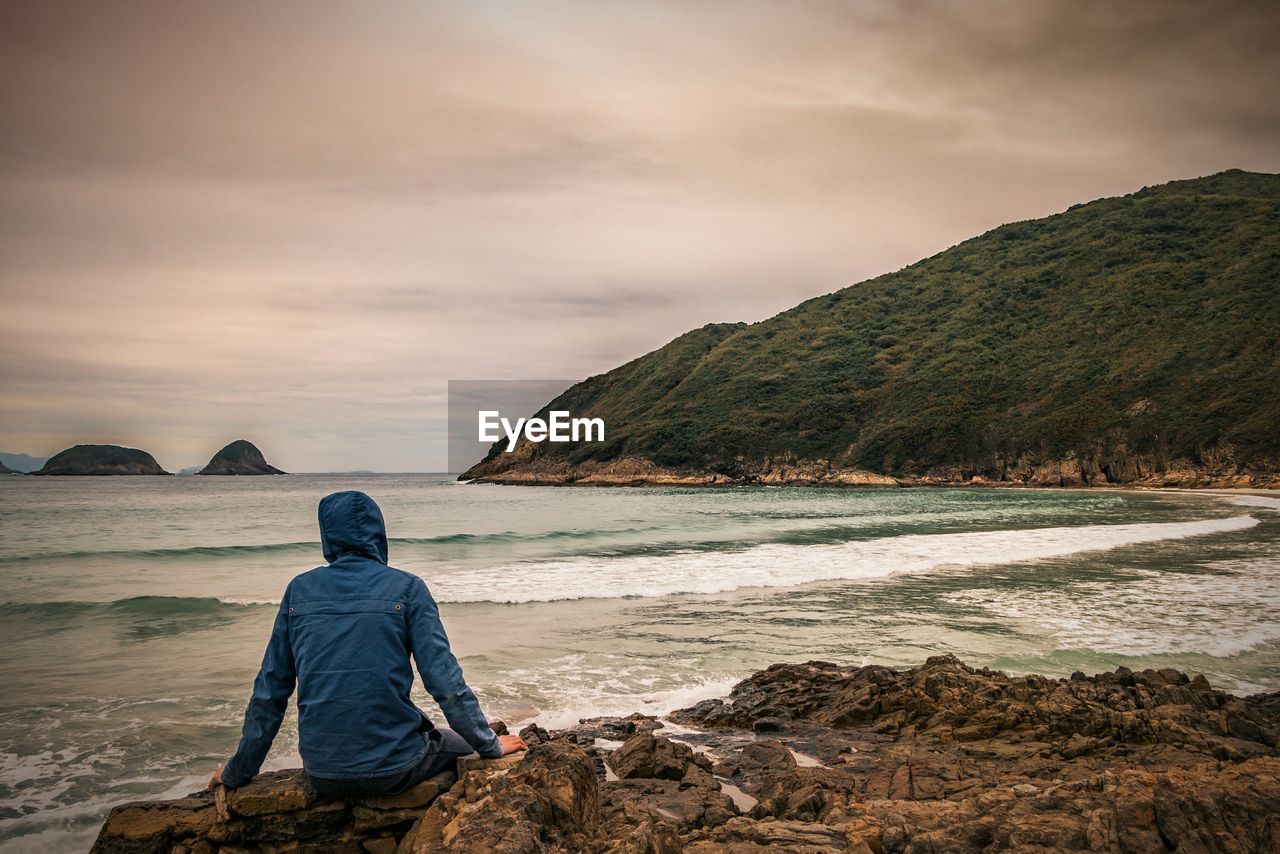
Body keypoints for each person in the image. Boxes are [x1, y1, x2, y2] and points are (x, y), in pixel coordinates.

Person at [210, 490, 525, 797]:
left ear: (327, 535)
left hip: (322, 773)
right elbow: (445, 681)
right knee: (458, 742)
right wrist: (490, 745)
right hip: (396, 768)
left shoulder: (299, 590)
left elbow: (270, 690)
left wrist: (237, 772)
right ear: (378, 532)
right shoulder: (408, 588)